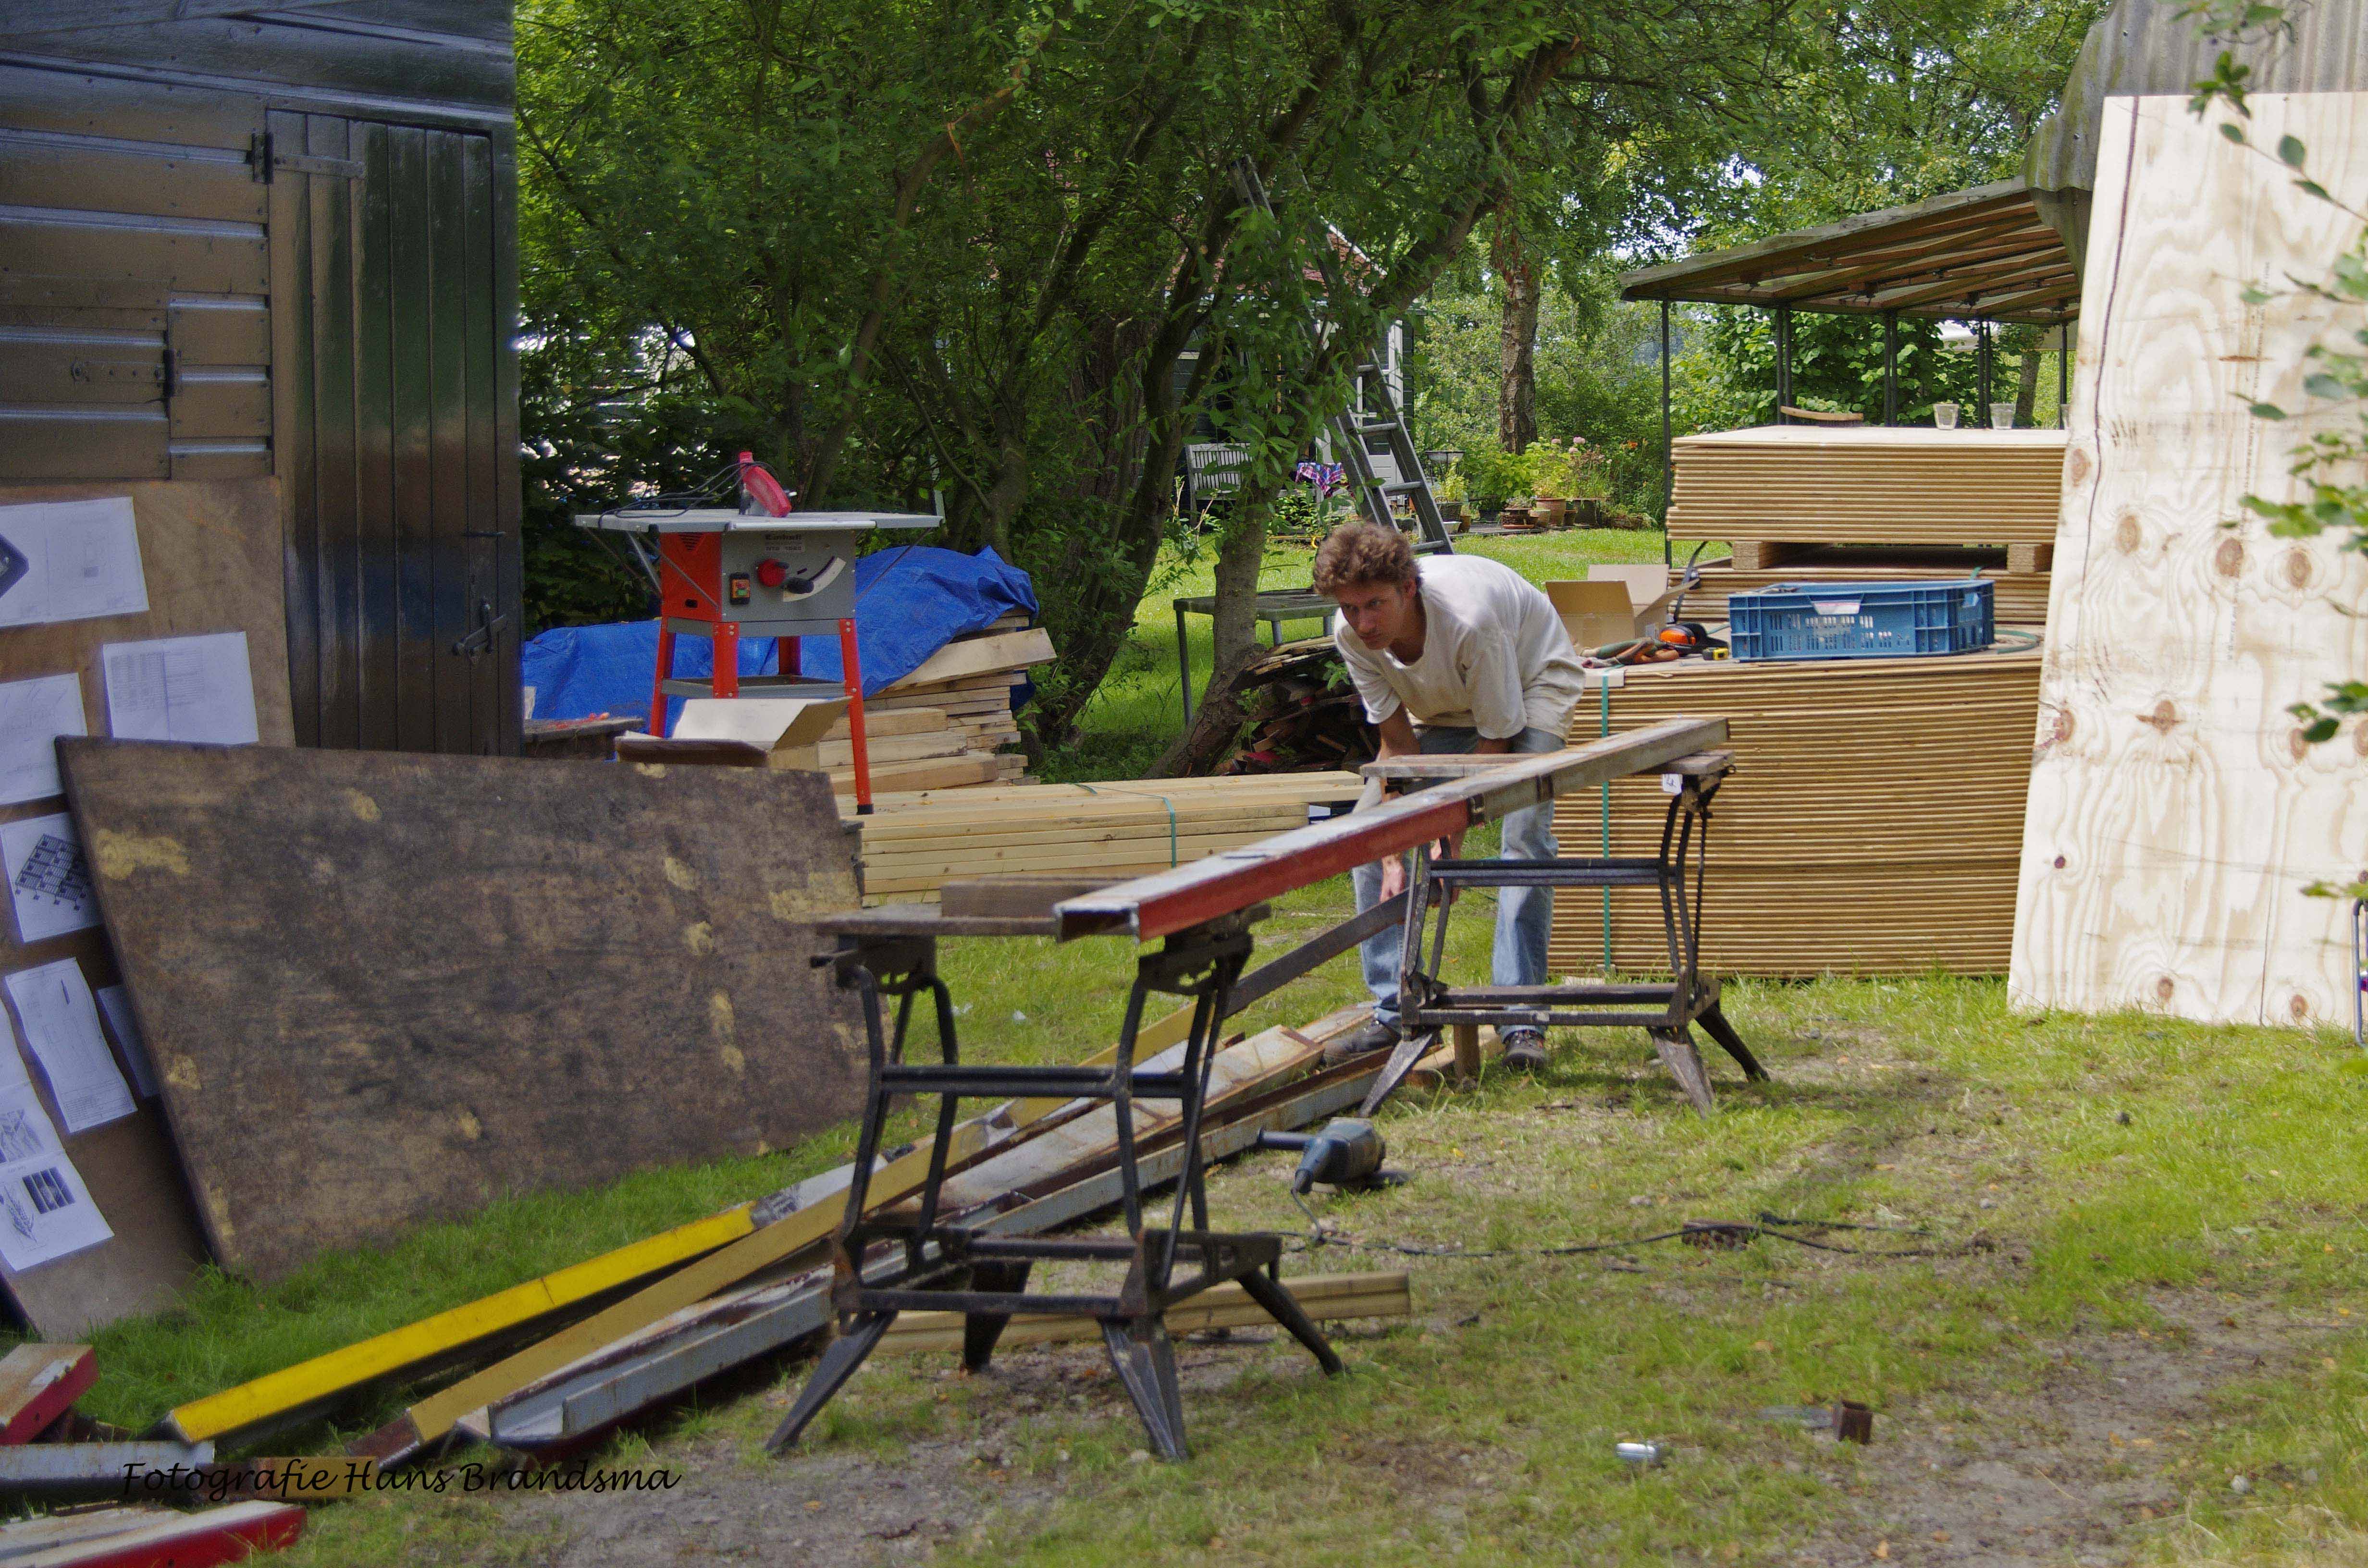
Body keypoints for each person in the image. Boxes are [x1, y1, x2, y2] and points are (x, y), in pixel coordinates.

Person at [1311, 521, 1588, 1071]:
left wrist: (1447, 843)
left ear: (1407, 588)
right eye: (1349, 608)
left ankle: (1520, 1017)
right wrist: (1393, 849)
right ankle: (1397, 1011)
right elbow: (1399, 749)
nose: (1362, 622)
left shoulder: (1470, 621)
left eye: (1374, 605)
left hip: (1530, 686)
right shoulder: (1351, 636)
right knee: (1365, 835)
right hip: (1443, 703)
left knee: (1523, 834)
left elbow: (1495, 740)